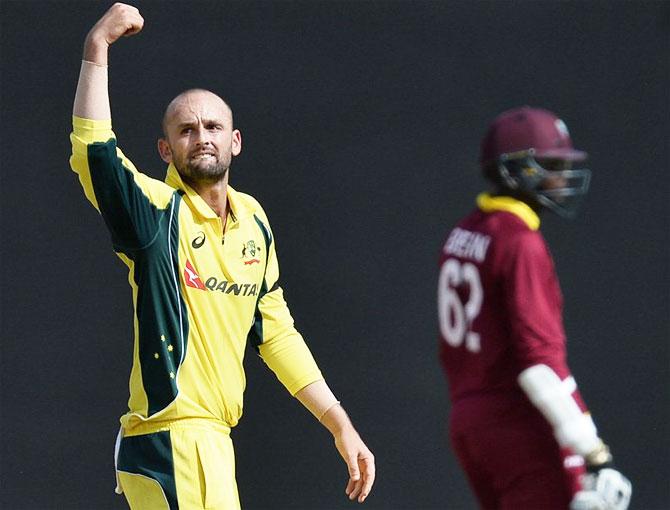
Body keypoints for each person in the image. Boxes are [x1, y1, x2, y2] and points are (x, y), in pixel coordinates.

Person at [69, 3, 374, 509]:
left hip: (211, 442)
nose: (201, 137)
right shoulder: (156, 213)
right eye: (185, 131)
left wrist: (339, 424)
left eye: (212, 127)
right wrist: (96, 50)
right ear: (166, 150)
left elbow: (275, 332)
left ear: (235, 141)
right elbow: (93, 151)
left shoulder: (253, 220)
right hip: (171, 438)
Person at [437, 106, 632, 510]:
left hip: (468, 422)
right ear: (515, 170)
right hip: (520, 423)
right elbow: (539, 366)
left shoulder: (464, 232)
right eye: (550, 165)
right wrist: (594, 453)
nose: (561, 177)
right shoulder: (520, 242)